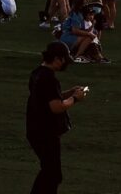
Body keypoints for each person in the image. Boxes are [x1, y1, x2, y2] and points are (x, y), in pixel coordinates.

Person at [26, 39, 85, 194]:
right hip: (45, 132)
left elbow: (48, 98)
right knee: (52, 174)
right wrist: (75, 98)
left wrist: (69, 92)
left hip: (34, 129)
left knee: (50, 171)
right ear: (57, 59)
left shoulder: (37, 73)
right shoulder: (49, 79)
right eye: (64, 60)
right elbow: (56, 107)